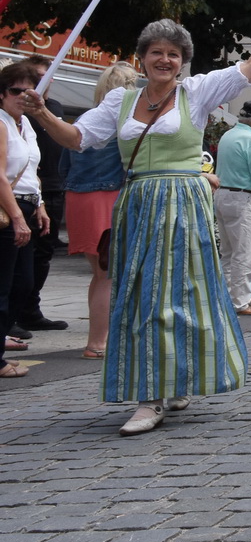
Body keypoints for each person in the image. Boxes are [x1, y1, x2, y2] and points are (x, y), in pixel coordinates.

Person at [23, 17, 251, 433]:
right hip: (138, 202)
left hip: (183, 204)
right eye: (156, 52)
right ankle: (151, 393)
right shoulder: (119, 101)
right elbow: (75, 138)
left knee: (182, 295)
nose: (165, 59)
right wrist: (43, 113)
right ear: (142, 58)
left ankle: (172, 383)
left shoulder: (197, 91)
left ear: (182, 62)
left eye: (173, 54)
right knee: (141, 296)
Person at [64, 62, 137, 358]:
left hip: (78, 197)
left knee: (99, 273)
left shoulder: (84, 119)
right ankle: (98, 342)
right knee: (109, 273)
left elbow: (63, 163)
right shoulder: (123, 118)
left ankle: (98, 339)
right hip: (107, 196)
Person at [0, 65, 49, 378]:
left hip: (27, 205)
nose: (22, 96)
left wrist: (40, 205)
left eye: (28, 90)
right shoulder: (2, 123)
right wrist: (18, 218)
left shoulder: (26, 124)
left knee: (23, 283)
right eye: (16, 91)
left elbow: (31, 169)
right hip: (8, 209)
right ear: (2, 94)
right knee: (4, 286)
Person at [14, 55, 68, 333]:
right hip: (23, 192)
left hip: (49, 189)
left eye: (45, 76)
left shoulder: (53, 108)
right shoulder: (17, 113)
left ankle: (30, 309)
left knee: (42, 255)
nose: (39, 83)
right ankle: (13, 315)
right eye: (33, 76)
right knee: (18, 257)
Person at [213, 103, 251, 316]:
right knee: (244, 252)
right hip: (241, 195)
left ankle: (226, 297)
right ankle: (241, 301)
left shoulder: (228, 135)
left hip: (222, 193)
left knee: (227, 251)